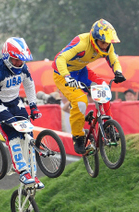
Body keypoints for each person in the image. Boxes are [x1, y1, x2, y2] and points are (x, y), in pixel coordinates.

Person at [53, 19, 126, 154]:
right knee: (81, 102)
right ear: (94, 39)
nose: (105, 46)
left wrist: (118, 72)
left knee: (104, 88)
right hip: (62, 73)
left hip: (81, 71)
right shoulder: (82, 43)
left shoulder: (107, 46)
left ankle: (108, 126)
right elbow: (59, 59)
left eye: (107, 43)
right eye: (102, 42)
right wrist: (67, 77)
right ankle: (78, 137)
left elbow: (114, 60)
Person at [0, 37, 44, 189]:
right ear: (6, 56)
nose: (18, 63)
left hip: (16, 102)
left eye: (21, 60)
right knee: (14, 135)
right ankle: (22, 171)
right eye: (15, 60)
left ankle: (33, 174)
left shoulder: (23, 68)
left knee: (28, 135)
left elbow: (29, 85)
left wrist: (33, 106)